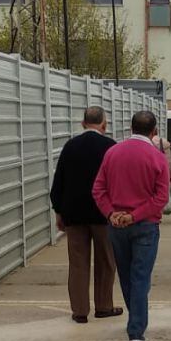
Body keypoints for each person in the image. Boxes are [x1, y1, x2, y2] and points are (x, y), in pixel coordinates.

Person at [92, 111, 171, 341]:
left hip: (116, 225)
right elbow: (161, 198)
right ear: (154, 131)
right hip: (145, 225)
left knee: (126, 275)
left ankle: (135, 321)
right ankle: (136, 329)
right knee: (140, 277)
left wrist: (111, 213)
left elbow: (98, 189)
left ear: (130, 128)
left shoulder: (112, 153)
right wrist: (134, 215)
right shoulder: (157, 159)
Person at [49, 106, 123, 324]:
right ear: (104, 124)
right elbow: (117, 181)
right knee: (106, 261)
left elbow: (58, 183)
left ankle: (80, 311)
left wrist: (59, 212)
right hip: (104, 214)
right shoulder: (111, 147)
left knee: (78, 263)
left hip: (74, 215)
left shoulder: (70, 146)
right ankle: (104, 306)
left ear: (82, 124)